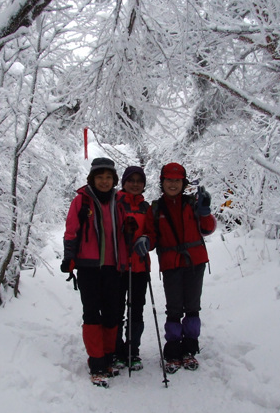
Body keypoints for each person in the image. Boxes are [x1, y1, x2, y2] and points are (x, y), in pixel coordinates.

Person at [134, 162, 216, 373]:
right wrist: (145, 240)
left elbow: (207, 229)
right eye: (169, 180)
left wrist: (205, 212)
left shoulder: (192, 204)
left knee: (192, 307)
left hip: (195, 262)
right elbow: (152, 236)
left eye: (177, 180)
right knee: (174, 308)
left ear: (183, 182)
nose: (173, 184)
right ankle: (172, 350)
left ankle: (189, 348)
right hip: (171, 264)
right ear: (162, 182)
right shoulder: (156, 208)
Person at [61, 157, 131, 387]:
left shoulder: (119, 201)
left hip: (115, 267)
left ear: (114, 180)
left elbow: (129, 226)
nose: (104, 181)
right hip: (88, 267)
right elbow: (71, 231)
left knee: (112, 315)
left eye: (108, 177)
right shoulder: (81, 201)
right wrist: (69, 258)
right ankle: (97, 363)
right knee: (92, 314)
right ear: (92, 179)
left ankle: (108, 357)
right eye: (100, 177)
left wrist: (131, 230)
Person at [115, 165, 150, 372]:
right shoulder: (115, 203)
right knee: (117, 311)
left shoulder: (147, 208)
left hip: (140, 266)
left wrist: (147, 240)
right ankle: (117, 350)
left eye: (139, 181)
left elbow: (154, 233)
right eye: (131, 180)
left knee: (136, 310)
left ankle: (133, 350)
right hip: (118, 266)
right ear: (124, 182)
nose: (135, 184)